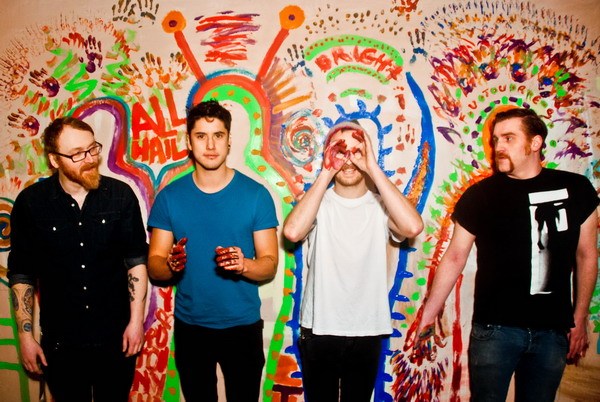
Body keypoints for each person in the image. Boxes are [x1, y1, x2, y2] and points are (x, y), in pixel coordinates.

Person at [411, 107, 598, 401]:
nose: (499, 146)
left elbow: (587, 255)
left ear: (535, 142)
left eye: (509, 138)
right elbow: (455, 256)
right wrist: (429, 313)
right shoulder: (480, 195)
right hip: (495, 330)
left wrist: (580, 317)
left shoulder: (575, 188)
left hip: (553, 330)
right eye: (496, 139)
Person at [8, 117, 148, 402]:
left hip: (116, 339)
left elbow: (136, 261)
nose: (90, 159)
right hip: (61, 344)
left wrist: (136, 323)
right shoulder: (31, 203)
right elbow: (22, 273)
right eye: (77, 154)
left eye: (92, 148)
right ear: (54, 160)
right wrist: (25, 337)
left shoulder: (120, 196)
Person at [147, 99, 279, 402]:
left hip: (242, 326)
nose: (210, 145)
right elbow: (155, 266)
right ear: (189, 141)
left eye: (218, 135)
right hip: (191, 327)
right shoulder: (169, 197)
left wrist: (244, 264)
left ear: (229, 140)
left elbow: (269, 264)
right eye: (201, 136)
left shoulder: (256, 195)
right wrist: (171, 265)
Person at [283, 121, 424, 402]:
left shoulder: (381, 205)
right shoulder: (317, 202)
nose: (348, 160)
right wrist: (327, 171)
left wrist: (372, 167)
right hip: (319, 327)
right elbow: (293, 232)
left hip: (367, 328)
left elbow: (412, 227)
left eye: (357, 151)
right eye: (340, 151)